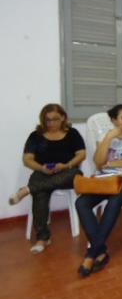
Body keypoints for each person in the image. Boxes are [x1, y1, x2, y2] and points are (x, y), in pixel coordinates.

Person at [75, 104, 122, 277]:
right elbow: (98, 162)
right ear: (114, 120)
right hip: (105, 180)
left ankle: (92, 254)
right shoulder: (106, 136)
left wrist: (111, 163)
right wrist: (107, 139)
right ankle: (100, 250)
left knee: (114, 202)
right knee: (81, 202)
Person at [9, 104, 86, 253]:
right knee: (40, 192)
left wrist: (65, 165)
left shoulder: (72, 133)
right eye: (48, 120)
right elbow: (28, 159)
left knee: (75, 175)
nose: (51, 123)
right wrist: (41, 168)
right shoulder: (35, 136)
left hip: (67, 172)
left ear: (63, 117)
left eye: (55, 119)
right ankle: (43, 238)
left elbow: (81, 154)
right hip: (43, 171)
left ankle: (28, 190)